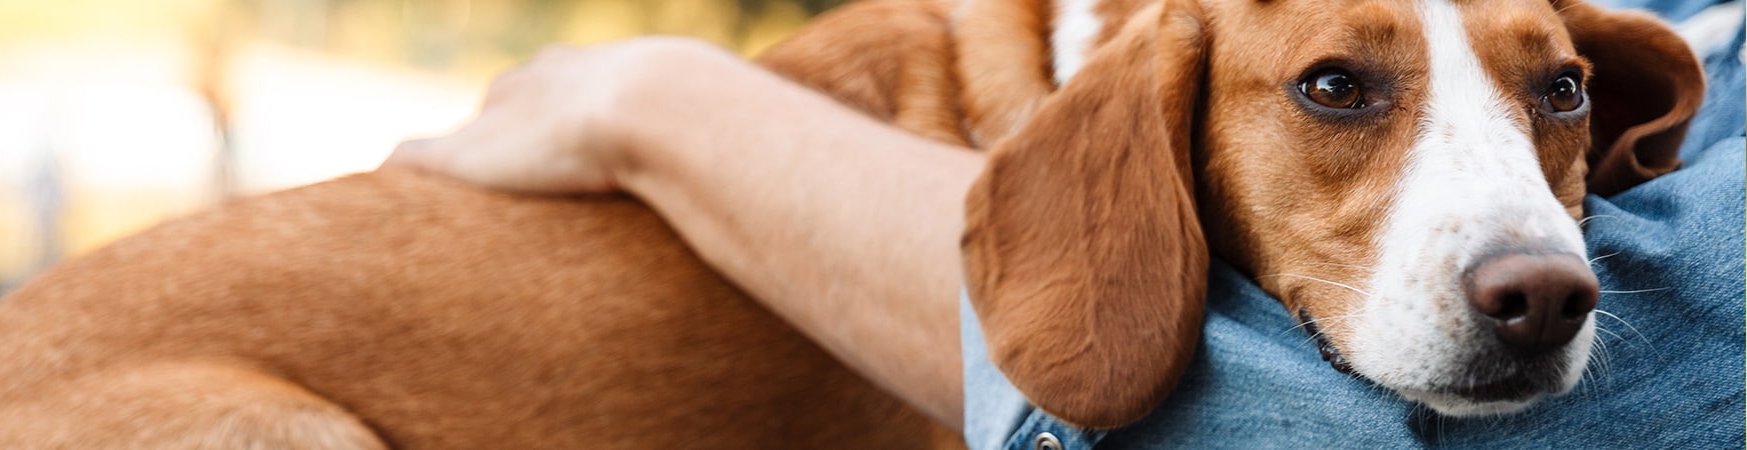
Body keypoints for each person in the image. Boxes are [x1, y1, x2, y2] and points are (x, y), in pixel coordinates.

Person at [385, 0, 1745, 446]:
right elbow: (1102, 372)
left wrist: (659, 94)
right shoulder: (1125, 93)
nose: (1557, 273)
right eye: (1338, 89)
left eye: (1557, 90)